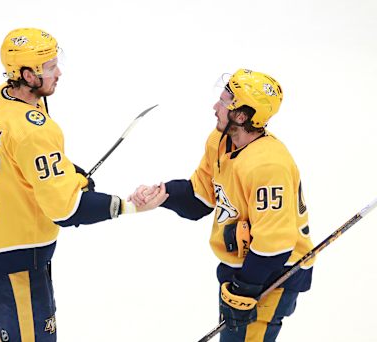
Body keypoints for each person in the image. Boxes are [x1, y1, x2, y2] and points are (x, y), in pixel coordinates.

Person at [0, 27, 161, 342]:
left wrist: (69, 176)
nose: (59, 73)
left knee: (18, 331)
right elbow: (66, 211)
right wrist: (131, 205)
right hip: (14, 250)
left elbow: (22, 164)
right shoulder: (35, 130)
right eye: (50, 67)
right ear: (27, 75)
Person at [129, 69, 314, 341]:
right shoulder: (220, 141)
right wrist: (163, 194)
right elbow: (199, 198)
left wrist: (244, 290)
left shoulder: (268, 166)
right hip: (242, 269)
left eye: (224, 102)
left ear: (241, 115)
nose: (215, 107)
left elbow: (275, 245)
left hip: (275, 274)